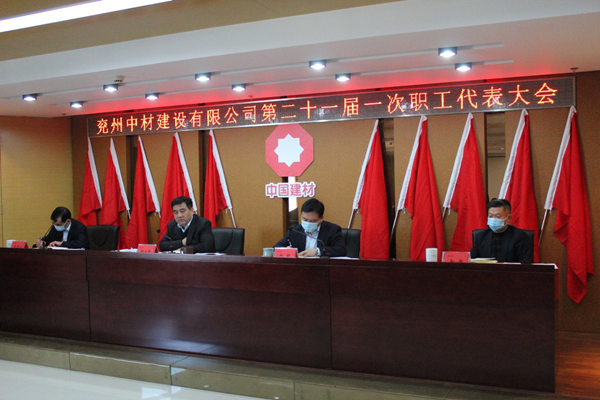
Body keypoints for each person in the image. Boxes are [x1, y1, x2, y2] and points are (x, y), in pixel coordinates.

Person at [274, 198, 346, 257]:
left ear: (321, 218)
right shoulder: (294, 230)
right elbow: (276, 248)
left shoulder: (332, 230)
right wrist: (285, 249)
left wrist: (318, 251)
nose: (308, 223)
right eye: (305, 219)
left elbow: (341, 250)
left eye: (312, 221)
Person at [470, 198, 534, 263]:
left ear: (508, 218)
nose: (493, 219)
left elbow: (526, 263)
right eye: (490, 216)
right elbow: (472, 262)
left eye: (498, 216)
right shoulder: (480, 236)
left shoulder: (519, 236)